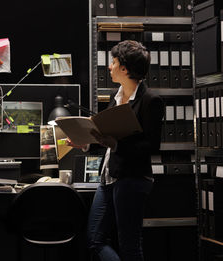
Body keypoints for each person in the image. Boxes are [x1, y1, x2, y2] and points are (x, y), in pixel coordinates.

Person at [68, 40, 164, 261]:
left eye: (113, 62)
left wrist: (117, 144)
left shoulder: (151, 101)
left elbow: (152, 146)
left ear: (124, 68)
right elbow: (107, 136)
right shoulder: (117, 98)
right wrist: (85, 141)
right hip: (109, 177)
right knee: (94, 240)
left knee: (129, 245)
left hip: (132, 178)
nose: (109, 67)